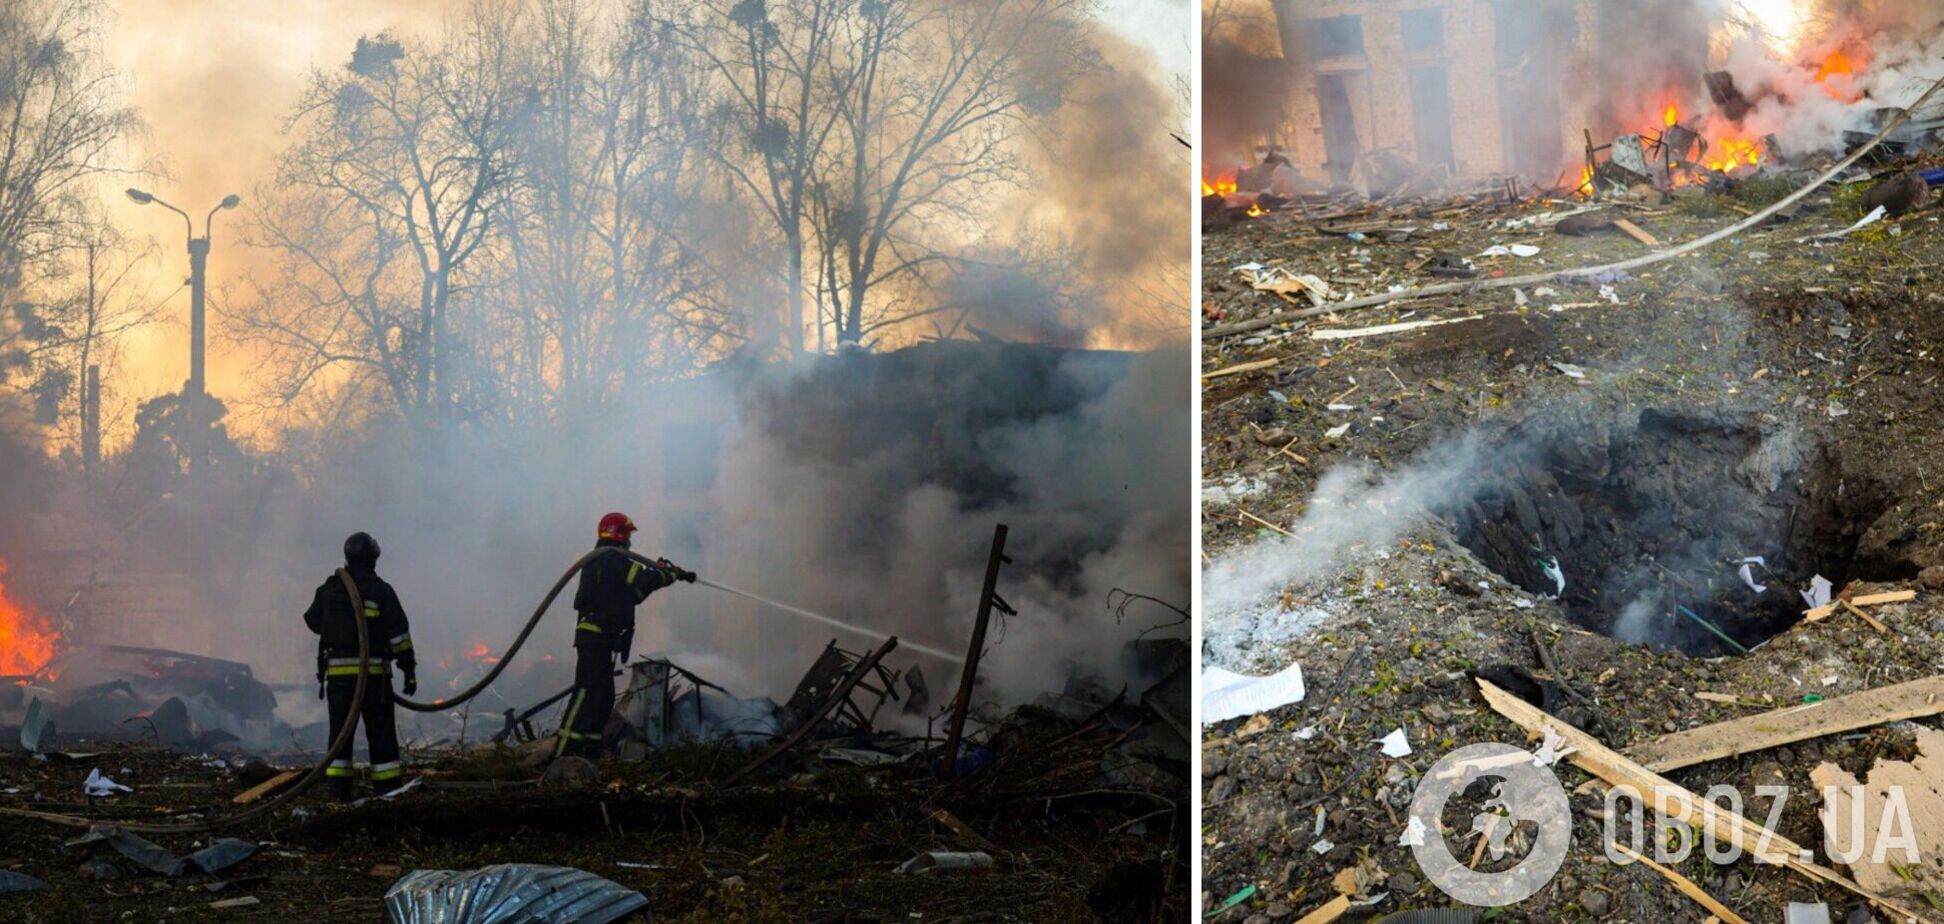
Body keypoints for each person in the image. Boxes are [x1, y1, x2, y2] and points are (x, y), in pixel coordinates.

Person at [557, 512, 693, 758]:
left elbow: (634, 594)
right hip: (594, 635)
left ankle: (589, 747)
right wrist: (666, 574)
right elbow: (643, 577)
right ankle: (566, 749)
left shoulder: (609, 561)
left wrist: (664, 577)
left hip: (603, 637)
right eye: (628, 534)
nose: (630, 540)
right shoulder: (611, 558)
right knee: (587, 691)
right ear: (618, 534)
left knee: (604, 693)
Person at [304, 531, 417, 799]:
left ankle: (337, 791)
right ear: (372, 559)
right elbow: (399, 635)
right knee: (381, 736)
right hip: (374, 680)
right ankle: (388, 791)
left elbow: (312, 621)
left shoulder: (330, 588)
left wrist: (337, 626)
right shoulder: (381, 591)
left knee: (340, 737)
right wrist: (409, 670)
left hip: (340, 681)